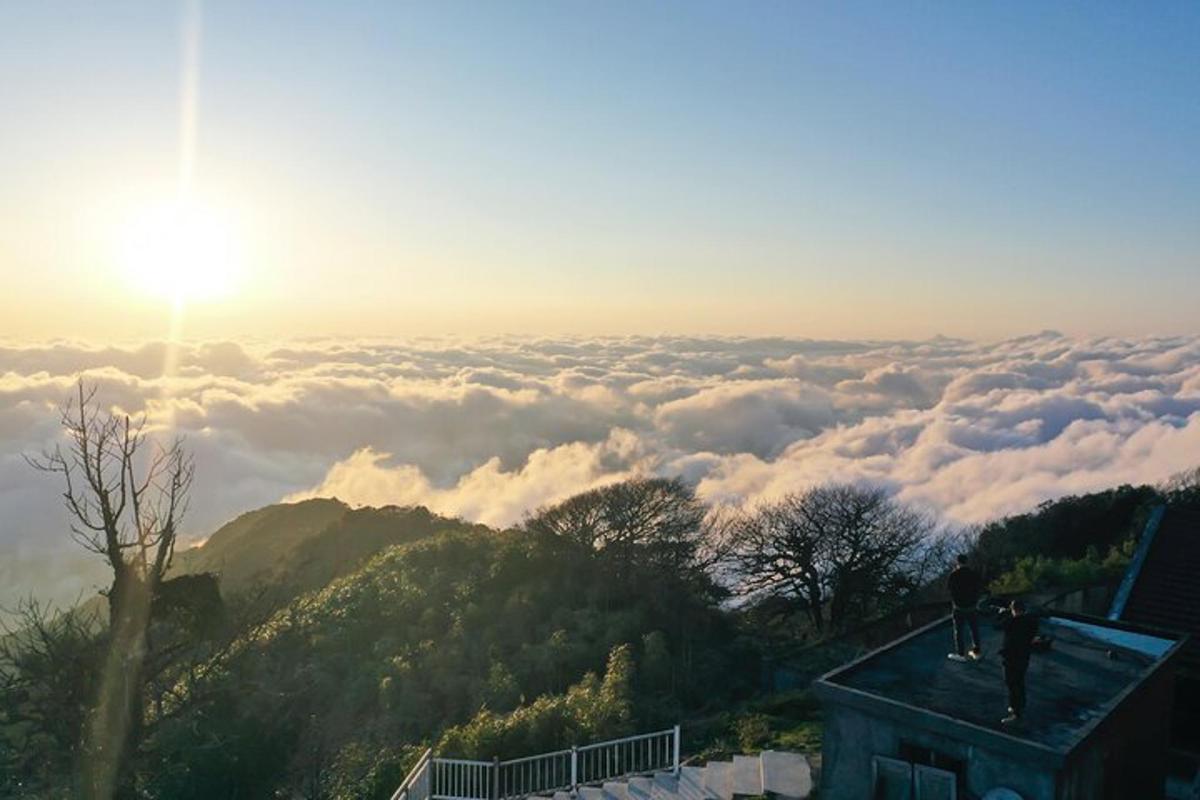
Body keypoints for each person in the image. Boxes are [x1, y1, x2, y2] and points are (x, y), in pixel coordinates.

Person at [998, 599, 1038, 724]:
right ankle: (1018, 705)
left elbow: (997, 625)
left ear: (1013, 609)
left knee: (1011, 683)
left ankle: (1015, 712)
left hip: (1011, 656)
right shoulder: (1031, 621)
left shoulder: (1011, 622)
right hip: (1024, 655)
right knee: (1019, 681)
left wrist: (1002, 613)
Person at [947, 554, 983, 662]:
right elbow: (978, 589)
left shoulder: (953, 575)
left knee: (959, 630)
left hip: (959, 607)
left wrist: (956, 603)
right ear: (967, 561)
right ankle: (976, 652)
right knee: (974, 629)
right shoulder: (973, 574)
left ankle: (961, 653)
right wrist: (975, 602)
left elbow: (950, 591)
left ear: (957, 562)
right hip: (972, 606)